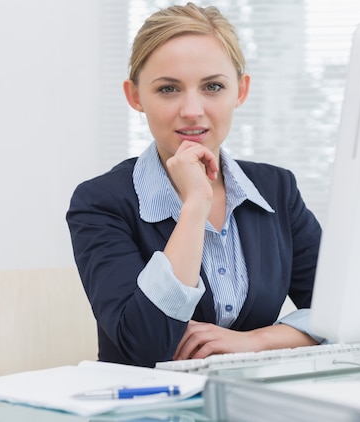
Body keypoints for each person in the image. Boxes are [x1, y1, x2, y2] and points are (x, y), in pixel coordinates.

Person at [66, 2, 323, 368]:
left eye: (213, 86)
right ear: (135, 96)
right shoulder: (101, 202)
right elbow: (145, 345)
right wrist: (194, 205)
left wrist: (255, 341)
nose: (191, 109)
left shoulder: (277, 190)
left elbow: (343, 312)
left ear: (241, 91)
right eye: (169, 89)